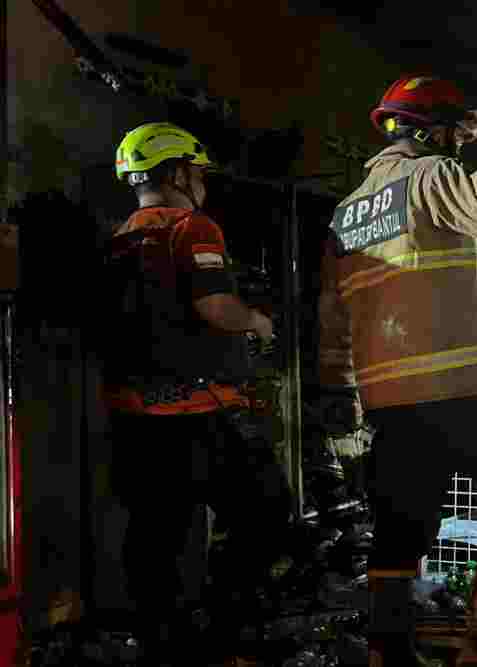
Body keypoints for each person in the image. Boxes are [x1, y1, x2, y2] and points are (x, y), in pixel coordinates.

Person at [316, 75, 477, 667]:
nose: (459, 147)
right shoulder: (428, 176)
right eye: (456, 134)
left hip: (388, 398)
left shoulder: (346, 213)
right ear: (432, 131)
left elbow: (331, 314)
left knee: (404, 523)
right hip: (458, 385)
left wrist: (336, 387)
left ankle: (389, 652)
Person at [101, 122, 292, 662]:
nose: (202, 183)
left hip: (134, 421)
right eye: (199, 172)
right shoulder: (192, 227)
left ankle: (168, 648)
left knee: (156, 540)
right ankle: (227, 631)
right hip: (199, 417)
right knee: (267, 512)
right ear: (178, 172)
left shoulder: (119, 240)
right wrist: (257, 321)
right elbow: (215, 307)